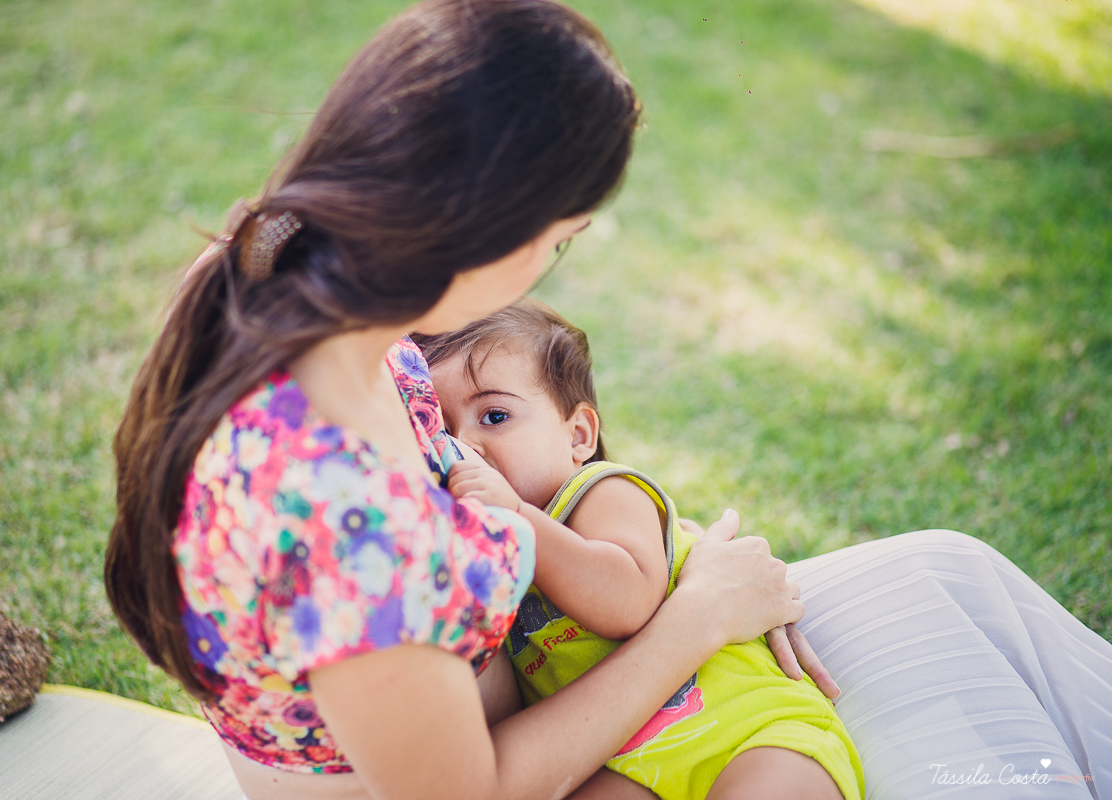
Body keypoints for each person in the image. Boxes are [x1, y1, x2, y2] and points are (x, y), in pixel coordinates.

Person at [104, 1, 1112, 798]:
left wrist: (686, 581)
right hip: (547, 751)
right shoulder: (343, 515)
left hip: (563, 674)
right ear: (496, 224)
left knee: (949, 571)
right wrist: (695, 618)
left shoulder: (269, 266)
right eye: (563, 235)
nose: (552, 262)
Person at [416, 297, 864, 800]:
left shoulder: (602, 492)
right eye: (442, 434)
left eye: (495, 416)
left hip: (746, 725)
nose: (465, 448)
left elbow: (626, 602)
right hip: (618, 759)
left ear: (579, 435)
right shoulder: (485, 557)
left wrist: (519, 519)